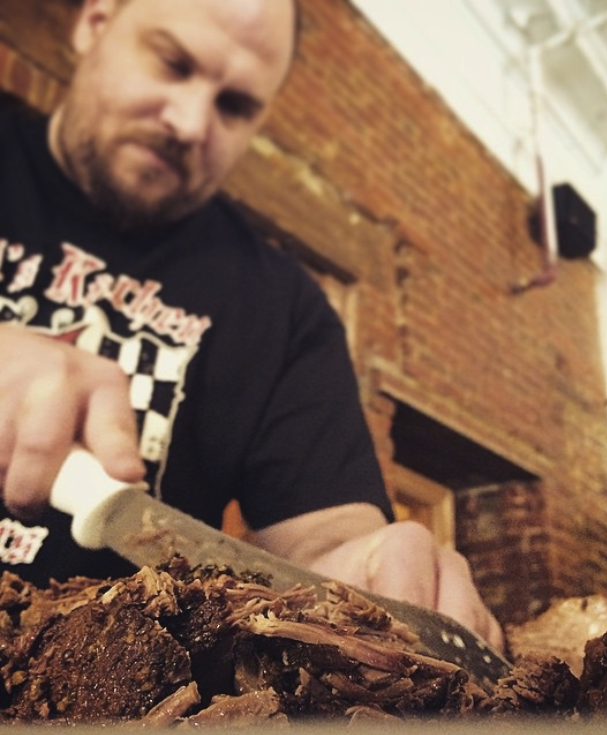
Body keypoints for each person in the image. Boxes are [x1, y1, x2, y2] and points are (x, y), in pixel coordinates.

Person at [0, 0, 503, 651]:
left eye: (234, 105)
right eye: (172, 63)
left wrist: (371, 572)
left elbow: (326, 540)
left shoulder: (282, 306)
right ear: (94, 25)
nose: (189, 122)